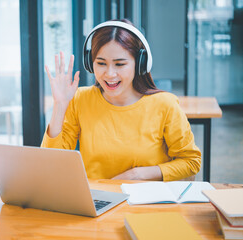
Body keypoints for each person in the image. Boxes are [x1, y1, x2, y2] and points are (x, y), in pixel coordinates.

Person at [41, 19, 201, 181]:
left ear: (139, 64)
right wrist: (60, 106)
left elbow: (191, 162)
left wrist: (138, 174)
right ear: (90, 64)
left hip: (145, 202)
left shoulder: (164, 104)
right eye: (101, 63)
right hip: (96, 202)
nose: (110, 74)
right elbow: (52, 162)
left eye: (119, 64)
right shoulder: (80, 99)